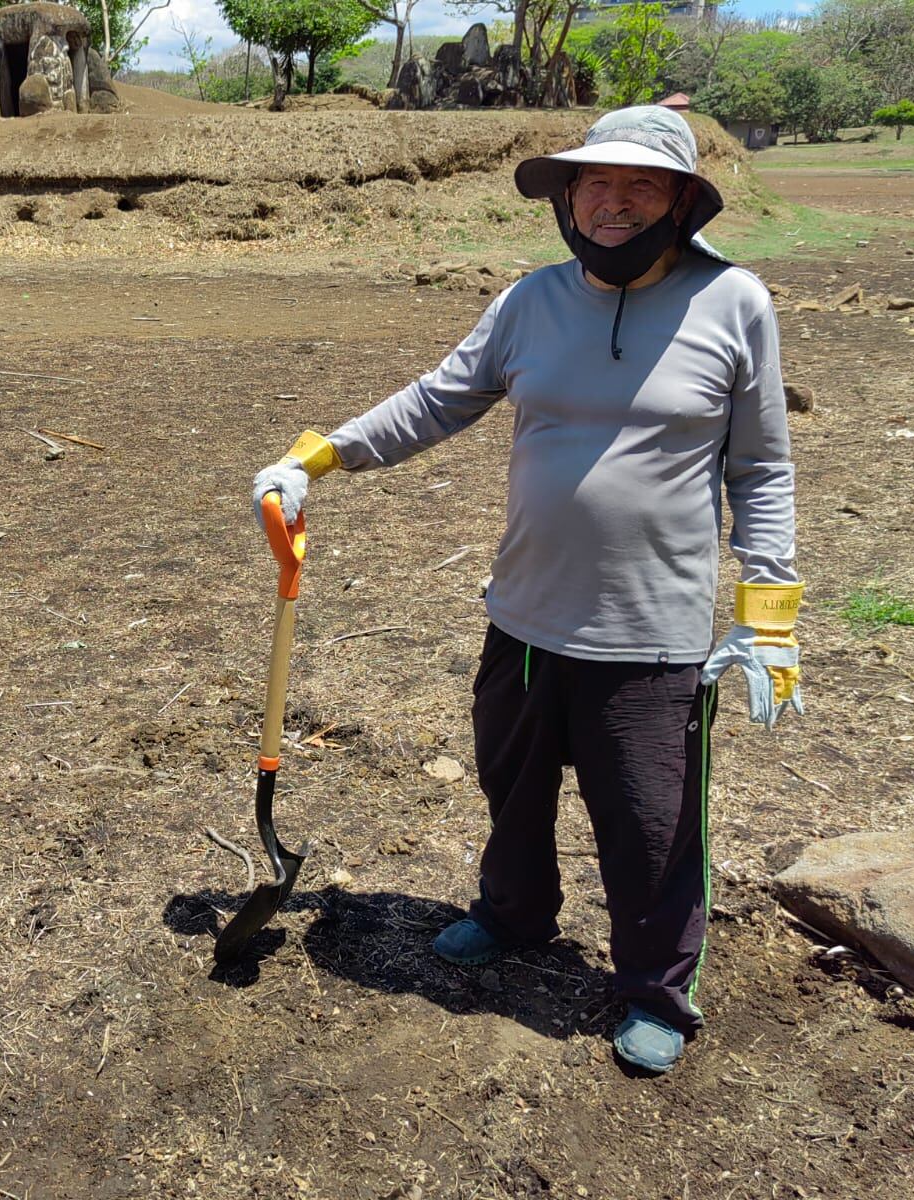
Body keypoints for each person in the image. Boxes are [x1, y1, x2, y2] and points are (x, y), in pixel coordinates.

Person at [252, 107, 801, 1074]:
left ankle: (655, 989)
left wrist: (770, 616)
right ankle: (514, 917)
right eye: (596, 184)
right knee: (513, 792)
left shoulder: (734, 302)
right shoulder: (529, 303)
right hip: (527, 617)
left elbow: (761, 469)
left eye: (641, 186)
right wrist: (318, 456)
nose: (614, 203)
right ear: (567, 199)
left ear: (681, 200)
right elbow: (435, 399)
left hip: (653, 633)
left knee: (651, 827)